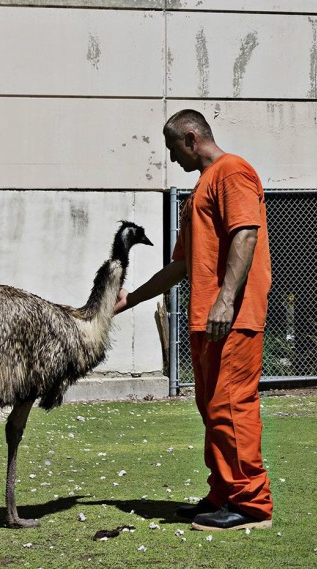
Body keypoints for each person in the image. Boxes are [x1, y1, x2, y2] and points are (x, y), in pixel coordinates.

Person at [114, 109, 274, 531]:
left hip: (232, 317)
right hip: (209, 320)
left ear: (190, 137)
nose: (171, 159)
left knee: (231, 406)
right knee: (212, 408)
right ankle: (224, 492)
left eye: (172, 149)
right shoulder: (201, 188)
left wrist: (225, 300)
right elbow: (180, 266)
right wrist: (129, 299)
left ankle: (251, 505)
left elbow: (246, 232)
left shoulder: (233, 171)